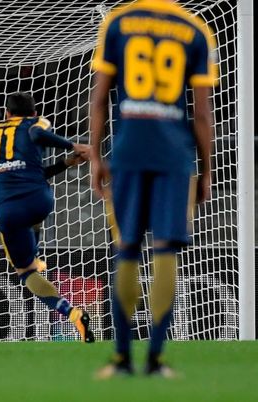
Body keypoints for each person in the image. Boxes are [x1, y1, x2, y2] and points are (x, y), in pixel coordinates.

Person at [90, 0, 216, 378]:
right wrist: (207, 171)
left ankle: (121, 360)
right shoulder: (195, 29)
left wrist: (96, 156)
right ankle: (156, 360)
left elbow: (99, 98)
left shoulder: (118, 22)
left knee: (127, 247)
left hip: (129, 149)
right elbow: (202, 113)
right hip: (174, 156)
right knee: (165, 251)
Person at [0, 91, 95, 343]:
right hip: (39, 201)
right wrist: (68, 159)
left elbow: (34, 136)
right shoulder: (37, 122)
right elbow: (33, 163)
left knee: (26, 273)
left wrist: (71, 145)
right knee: (30, 221)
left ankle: (74, 314)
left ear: (7, 114)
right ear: (34, 113)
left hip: (8, 210)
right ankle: (34, 255)